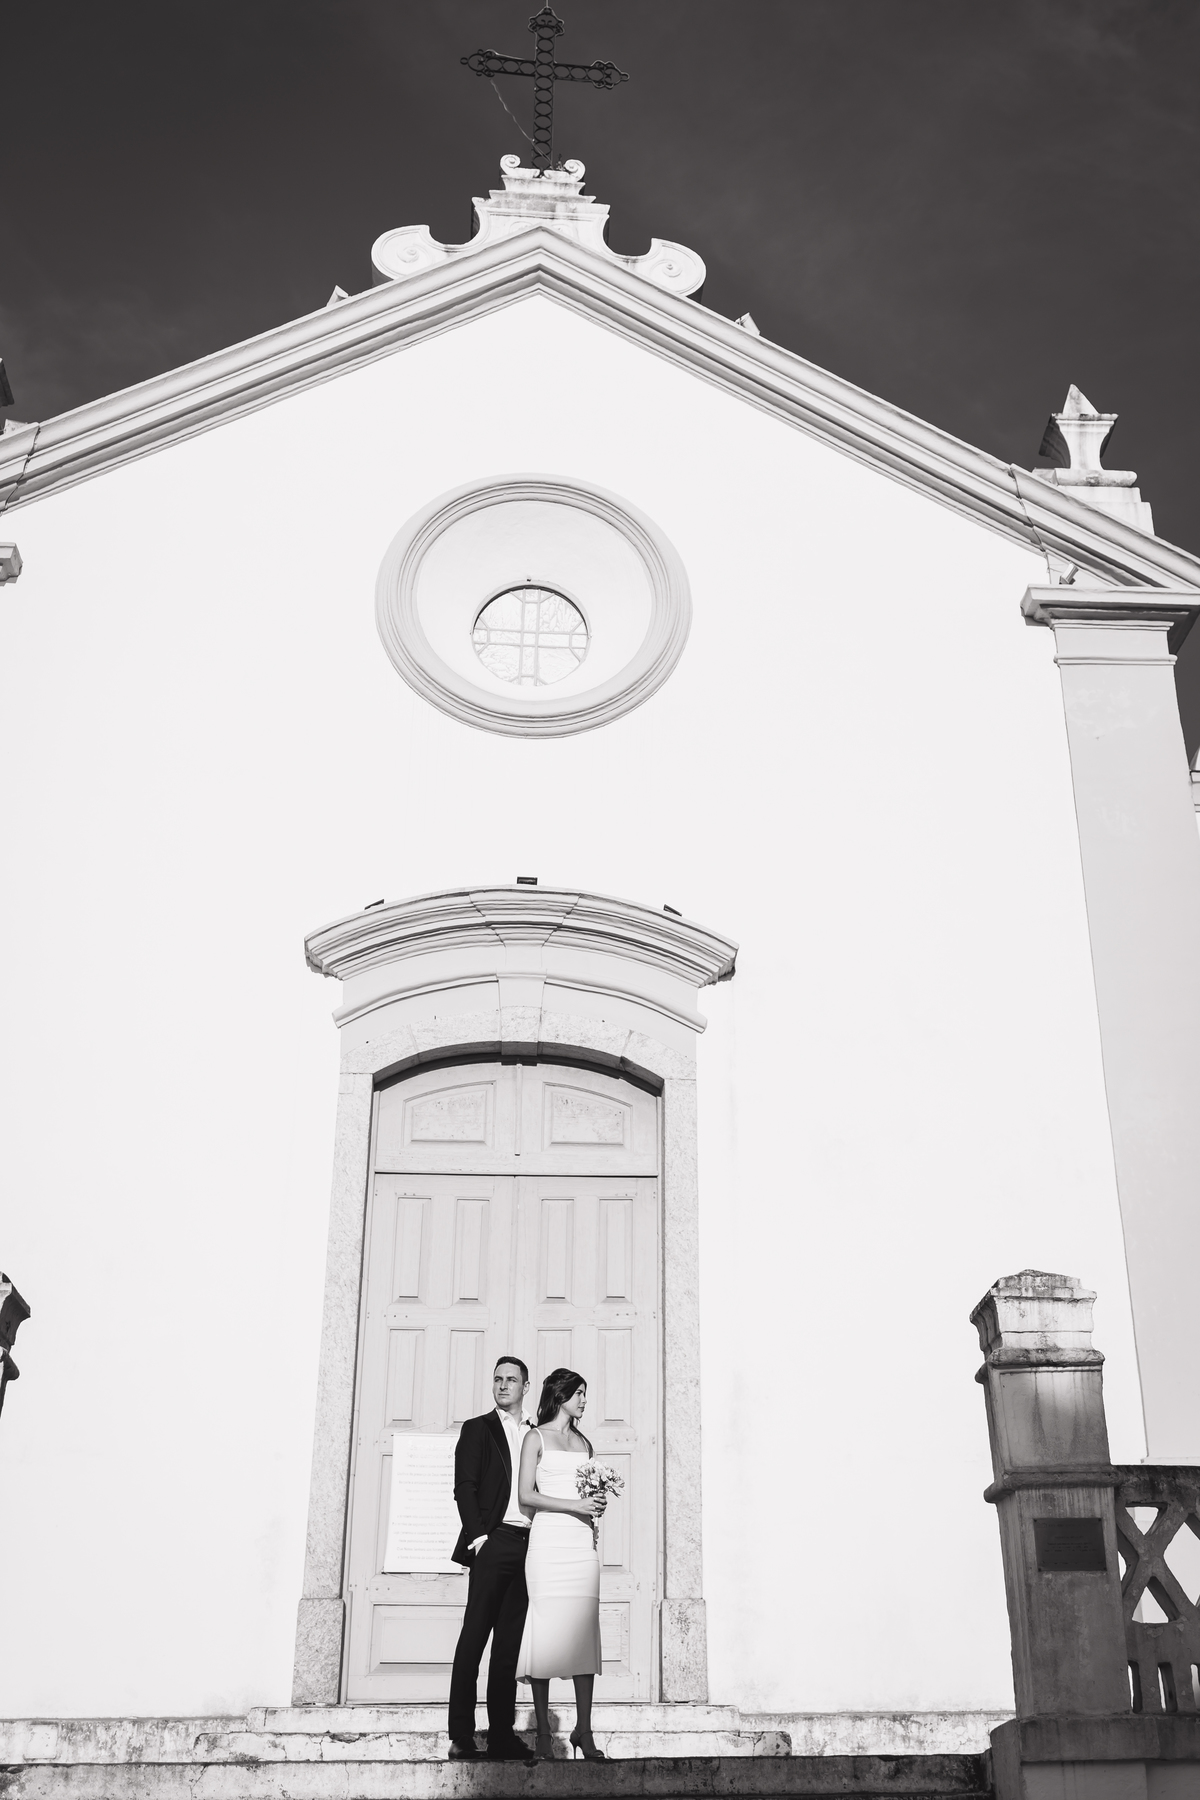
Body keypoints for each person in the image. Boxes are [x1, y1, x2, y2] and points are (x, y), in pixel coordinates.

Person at [445, 1356, 537, 1764]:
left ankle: (501, 1735)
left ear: (525, 1387)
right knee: (474, 1639)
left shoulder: (536, 1432)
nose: (503, 1385)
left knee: (508, 1648)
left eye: (511, 1380)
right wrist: (480, 1537)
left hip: (528, 1545)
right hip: (493, 1541)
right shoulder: (478, 1428)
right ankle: (461, 1736)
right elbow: (464, 1486)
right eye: (498, 1379)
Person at [515, 1367, 609, 1761]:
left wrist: (596, 1505)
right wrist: (574, 1505)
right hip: (547, 1545)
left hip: (581, 1546)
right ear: (560, 1394)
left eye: (585, 1393)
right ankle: (542, 1734)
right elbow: (526, 1496)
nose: (584, 1400)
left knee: (583, 1631)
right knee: (545, 1634)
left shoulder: (584, 1443)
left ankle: (584, 1730)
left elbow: (589, 1494)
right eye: (578, 1393)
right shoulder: (535, 1437)